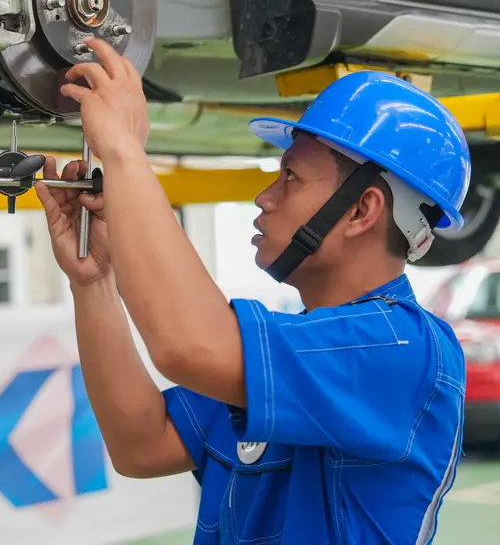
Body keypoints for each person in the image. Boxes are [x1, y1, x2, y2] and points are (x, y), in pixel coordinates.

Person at [35, 37, 471, 545]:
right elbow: (141, 444)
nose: (264, 197)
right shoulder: (294, 356)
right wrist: (94, 283)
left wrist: (125, 150)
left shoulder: (405, 350)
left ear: (361, 211)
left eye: (290, 176)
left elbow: (188, 343)